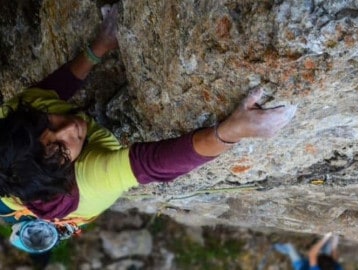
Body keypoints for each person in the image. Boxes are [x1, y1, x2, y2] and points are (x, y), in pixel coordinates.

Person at [0, 4, 297, 252]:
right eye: (63, 149)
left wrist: (101, 45)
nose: (71, 127)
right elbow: (151, 164)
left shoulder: (20, 114)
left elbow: (51, 90)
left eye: (49, 121)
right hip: (63, 203)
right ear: (65, 172)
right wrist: (233, 131)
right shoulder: (88, 180)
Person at [273, 232, 343, 270]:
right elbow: (335, 259)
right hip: (321, 262)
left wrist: (325, 238)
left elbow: (312, 254)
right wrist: (334, 245)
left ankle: (274, 244)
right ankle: (322, 247)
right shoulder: (337, 268)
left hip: (301, 267)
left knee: (289, 247)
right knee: (329, 245)